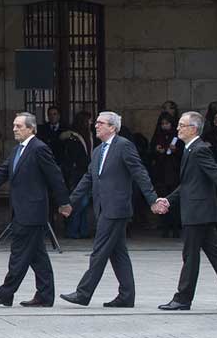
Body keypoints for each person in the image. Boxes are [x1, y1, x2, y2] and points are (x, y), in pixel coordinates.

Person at [150, 111, 217, 311]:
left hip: (198, 212)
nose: (178, 129)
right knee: (215, 254)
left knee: (191, 256)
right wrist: (168, 200)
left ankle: (183, 298)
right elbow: (188, 184)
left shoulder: (199, 149)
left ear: (193, 129)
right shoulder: (190, 149)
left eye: (181, 125)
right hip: (199, 210)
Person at [61, 111, 159, 308]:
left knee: (99, 251)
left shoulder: (124, 146)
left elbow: (140, 173)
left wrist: (153, 199)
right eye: (96, 122)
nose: (96, 125)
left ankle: (83, 293)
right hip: (103, 208)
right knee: (118, 253)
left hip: (117, 208)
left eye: (101, 123)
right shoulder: (98, 151)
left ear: (112, 127)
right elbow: (88, 179)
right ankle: (126, 296)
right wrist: (70, 202)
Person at [0, 112, 71, 308]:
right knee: (37, 256)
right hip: (21, 210)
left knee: (18, 253)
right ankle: (45, 295)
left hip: (32, 210)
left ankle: (5, 294)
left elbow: (55, 177)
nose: (14, 129)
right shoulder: (17, 150)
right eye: (14, 125)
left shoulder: (39, 149)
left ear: (31, 129)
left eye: (18, 126)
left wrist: (64, 202)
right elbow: (3, 170)